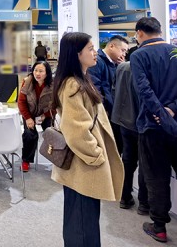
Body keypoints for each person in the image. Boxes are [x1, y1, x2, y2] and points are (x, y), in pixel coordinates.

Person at [51, 32, 123, 247]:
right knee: (81, 224)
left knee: (84, 221)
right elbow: (77, 131)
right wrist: (96, 156)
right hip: (83, 164)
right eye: (90, 49)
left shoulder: (81, 79)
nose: (95, 53)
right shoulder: (73, 85)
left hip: (84, 163)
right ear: (77, 54)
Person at [130, 17, 177, 243]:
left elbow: (144, 91)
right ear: (159, 30)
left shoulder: (138, 55)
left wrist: (163, 114)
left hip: (153, 127)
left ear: (139, 33)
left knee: (156, 178)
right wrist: (174, 110)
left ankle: (159, 227)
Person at [110, 61, 149, 214]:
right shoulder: (145, 67)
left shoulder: (121, 67)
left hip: (124, 121)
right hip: (141, 122)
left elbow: (114, 91)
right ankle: (144, 203)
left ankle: (125, 197)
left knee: (127, 160)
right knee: (144, 163)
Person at [88, 35, 129, 155]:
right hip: (106, 112)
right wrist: (103, 109)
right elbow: (95, 88)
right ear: (111, 46)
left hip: (115, 112)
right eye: (122, 50)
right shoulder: (97, 62)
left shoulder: (116, 63)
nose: (124, 54)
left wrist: (123, 66)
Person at [18, 61, 55, 172]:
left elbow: (56, 104)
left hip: (46, 114)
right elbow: (21, 102)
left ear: (47, 73)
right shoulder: (27, 82)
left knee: (53, 133)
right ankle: (26, 161)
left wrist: (45, 115)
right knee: (29, 134)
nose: (37, 73)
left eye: (41, 71)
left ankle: (57, 160)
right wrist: (28, 118)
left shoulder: (53, 85)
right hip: (29, 114)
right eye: (35, 70)